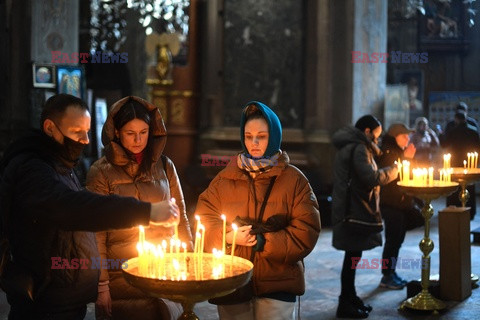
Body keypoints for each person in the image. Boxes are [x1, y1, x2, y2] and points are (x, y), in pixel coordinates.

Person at [0, 94, 180, 320]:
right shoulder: (32, 169)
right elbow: (72, 208)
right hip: (45, 301)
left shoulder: (59, 164)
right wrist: (146, 212)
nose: (85, 140)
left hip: (65, 298)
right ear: (50, 128)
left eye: (87, 132)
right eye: (77, 132)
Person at [195, 101, 320, 320]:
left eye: (261, 136)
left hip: (277, 281)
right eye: (248, 135)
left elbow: (306, 231)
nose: (253, 143)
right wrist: (227, 237)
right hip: (232, 280)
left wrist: (263, 242)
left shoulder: (295, 181)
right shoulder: (224, 178)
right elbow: (204, 221)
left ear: (273, 137)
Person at [86, 96, 192, 320]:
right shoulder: (101, 172)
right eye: (130, 133)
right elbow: (96, 232)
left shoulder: (164, 165)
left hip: (165, 271)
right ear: (116, 132)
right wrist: (102, 286)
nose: (138, 140)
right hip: (121, 277)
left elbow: (180, 215)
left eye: (143, 132)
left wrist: (189, 264)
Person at [331, 115, 397, 319]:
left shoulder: (352, 145)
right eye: (376, 136)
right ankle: (345, 303)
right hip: (353, 211)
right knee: (352, 257)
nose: (377, 140)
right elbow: (370, 178)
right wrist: (394, 171)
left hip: (349, 209)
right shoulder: (359, 148)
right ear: (367, 132)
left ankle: (350, 298)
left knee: (353, 257)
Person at [376, 123, 424, 290]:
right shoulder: (389, 153)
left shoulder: (398, 151)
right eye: (404, 136)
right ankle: (387, 275)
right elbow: (394, 177)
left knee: (398, 240)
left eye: (408, 136)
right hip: (391, 202)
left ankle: (391, 272)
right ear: (395, 136)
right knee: (392, 240)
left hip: (401, 202)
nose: (407, 139)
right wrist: (407, 158)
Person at [441, 111, 480, 220]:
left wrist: (440, 134)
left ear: (456, 119)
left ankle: (455, 209)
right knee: (469, 187)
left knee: (455, 187)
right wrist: (476, 163)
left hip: (455, 164)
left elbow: (444, 144)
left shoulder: (453, 131)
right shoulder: (473, 131)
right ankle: (470, 211)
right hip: (469, 164)